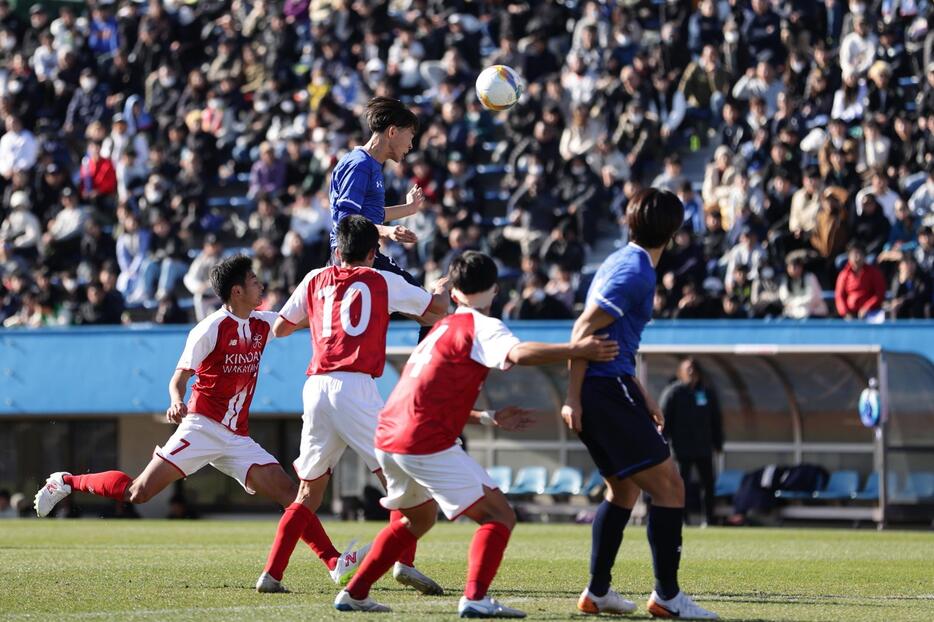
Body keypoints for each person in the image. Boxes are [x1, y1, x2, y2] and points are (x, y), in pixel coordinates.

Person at [332, 250, 619, 616]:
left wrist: (487, 417)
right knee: (500, 515)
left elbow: (424, 397)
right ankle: (476, 598)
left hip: (388, 435)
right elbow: (519, 353)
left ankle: (354, 593)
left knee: (416, 519)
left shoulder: (442, 328)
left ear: (454, 293)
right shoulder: (482, 326)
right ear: (495, 290)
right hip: (422, 441)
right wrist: (577, 348)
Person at [33, 257, 339, 575]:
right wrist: (176, 401)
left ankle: (334, 561)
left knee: (289, 493)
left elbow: (302, 319)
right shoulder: (209, 329)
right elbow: (178, 379)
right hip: (201, 428)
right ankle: (66, 482)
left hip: (237, 438)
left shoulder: (264, 323)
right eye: (253, 280)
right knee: (137, 493)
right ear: (237, 291)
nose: (260, 284)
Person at [256, 215, 449, 595]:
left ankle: (271, 574)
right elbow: (436, 308)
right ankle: (403, 564)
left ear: (337, 250)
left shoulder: (314, 278)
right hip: (356, 386)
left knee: (307, 494)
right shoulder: (382, 279)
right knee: (404, 480)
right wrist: (443, 288)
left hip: (316, 386)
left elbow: (280, 328)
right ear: (373, 252)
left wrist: (321, 315)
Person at [562, 189, 718, 619]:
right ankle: (667, 596)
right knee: (670, 488)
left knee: (625, 489)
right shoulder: (636, 272)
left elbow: (611, 340)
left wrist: (643, 392)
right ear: (673, 231)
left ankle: (597, 592)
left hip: (611, 387)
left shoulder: (622, 261)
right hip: (606, 391)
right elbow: (584, 331)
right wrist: (573, 396)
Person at [659, 358, 724, 527]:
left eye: (693, 369)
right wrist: (663, 443)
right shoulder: (673, 392)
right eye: (687, 369)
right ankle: (682, 518)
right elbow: (663, 419)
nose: (691, 372)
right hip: (681, 449)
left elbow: (715, 420)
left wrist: (718, 443)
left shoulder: (707, 393)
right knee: (681, 485)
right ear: (680, 371)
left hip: (703, 447)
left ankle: (709, 519)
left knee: (708, 485)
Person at [835, 242, 886, 320]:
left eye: (859, 254)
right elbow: (839, 296)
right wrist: (846, 313)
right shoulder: (843, 275)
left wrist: (867, 307)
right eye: (854, 254)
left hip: (871, 313)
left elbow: (879, 294)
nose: (857, 257)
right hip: (849, 316)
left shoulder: (874, 273)